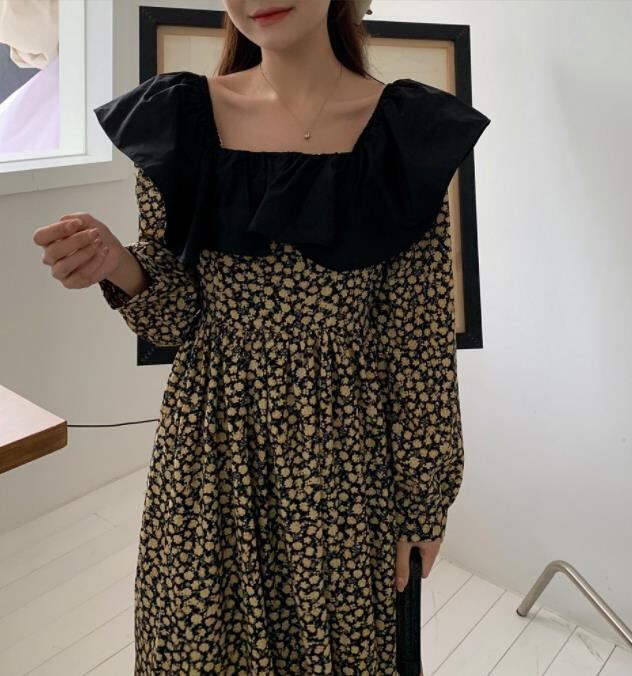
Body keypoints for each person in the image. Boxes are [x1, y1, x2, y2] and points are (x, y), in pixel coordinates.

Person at [32, 1, 491, 673]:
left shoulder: (404, 135)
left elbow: (417, 344)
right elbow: (178, 320)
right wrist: (117, 263)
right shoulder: (178, 120)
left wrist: (423, 504)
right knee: (199, 646)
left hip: (344, 467)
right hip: (208, 453)